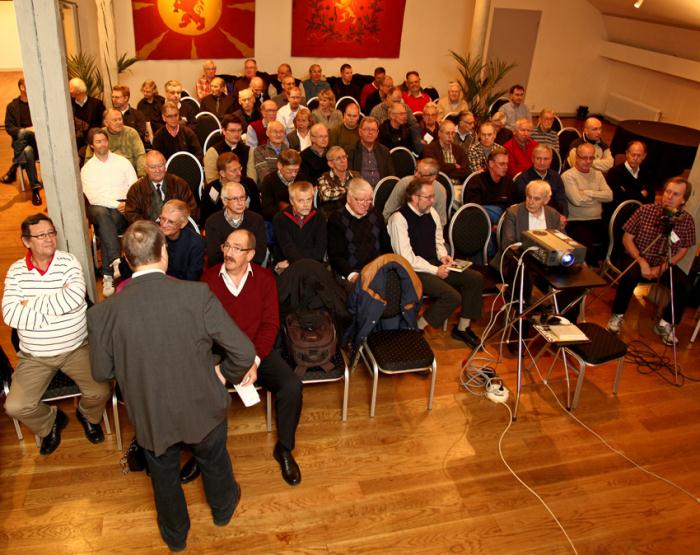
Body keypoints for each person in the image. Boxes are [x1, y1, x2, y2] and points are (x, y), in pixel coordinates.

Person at [88, 220, 256, 551]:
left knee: (163, 478)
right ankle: (223, 511)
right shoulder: (197, 295)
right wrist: (222, 375)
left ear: (126, 258)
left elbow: (102, 370)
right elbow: (243, 351)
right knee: (215, 462)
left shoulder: (102, 314)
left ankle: (176, 536)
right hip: (203, 404)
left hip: (151, 413)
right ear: (163, 253)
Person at [202, 228, 303, 486]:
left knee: (291, 387)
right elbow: (202, 327)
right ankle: (202, 453)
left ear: (251, 255)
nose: (229, 253)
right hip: (220, 351)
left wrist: (255, 361)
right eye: (227, 246)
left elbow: (270, 325)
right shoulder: (208, 279)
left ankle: (284, 449)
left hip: (257, 349)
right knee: (202, 390)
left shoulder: (265, 279)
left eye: (237, 248)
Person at [3, 214, 110, 455]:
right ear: (26, 241)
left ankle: (87, 415)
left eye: (51, 233)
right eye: (41, 235)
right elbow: (10, 314)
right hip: (35, 355)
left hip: (76, 348)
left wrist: (29, 304)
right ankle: (50, 422)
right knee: (15, 406)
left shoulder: (69, 262)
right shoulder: (17, 272)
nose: (49, 239)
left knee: (100, 391)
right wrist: (58, 308)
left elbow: (74, 298)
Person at [388, 180, 484, 346]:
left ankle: (462, 328)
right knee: (452, 296)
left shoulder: (431, 212)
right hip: (413, 270)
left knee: (475, 278)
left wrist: (443, 256)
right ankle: (417, 328)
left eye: (433, 196)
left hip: (433, 264)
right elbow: (406, 257)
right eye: (428, 197)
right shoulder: (399, 218)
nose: (432, 201)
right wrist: (435, 270)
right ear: (413, 197)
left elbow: (438, 240)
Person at [606, 177, 695, 346]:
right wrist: (642, 262)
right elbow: (627, 239)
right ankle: (617, 316)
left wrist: (663, 267)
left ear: (683, 200)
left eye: (676, 194)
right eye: (668, 191)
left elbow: (683, 249)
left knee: (684, 285)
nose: (669, 196)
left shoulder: (687, 221)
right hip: (637, 256)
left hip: (665, 263)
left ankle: (666, 323)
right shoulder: (645, 210)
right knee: (629, 277)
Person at [81, 128, 137, 296]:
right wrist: (115, 204)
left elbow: (134, 185)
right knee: (102, 213)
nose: (102, 144)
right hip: (99, 208)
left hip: (123, 208)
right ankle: (115, 259)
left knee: (108, 223)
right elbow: (92, 196)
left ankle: (108, 273)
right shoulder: (87, 169)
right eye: (98, 141)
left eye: (104, 140)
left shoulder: (122, 162)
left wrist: (127, 203)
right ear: (91, 145)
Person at [497, 180, 563, 302]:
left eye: (536, 199)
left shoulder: (553, 214)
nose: (530, 202)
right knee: (524, 270)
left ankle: (564, 316)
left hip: (547, 263)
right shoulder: (514, 213)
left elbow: (562, 242)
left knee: (572, 272)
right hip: (520, 261)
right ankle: (524, 314)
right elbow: (507, 245)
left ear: (546, 200)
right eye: (529, 197)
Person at [327, 177, 392, 283]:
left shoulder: (375, 214)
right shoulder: (337, 218)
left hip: (378, 270)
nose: (366, 204)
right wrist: (351, 275)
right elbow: (336, 256)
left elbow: (386, 247)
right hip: (352, 273)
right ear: (349, 198)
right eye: (361, 200)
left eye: (369, 200)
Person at [562, 143, 613, 264]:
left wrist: (588, 192)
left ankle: (600, 267)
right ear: (576, 157)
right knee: (588, 250)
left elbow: (609, 196)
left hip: (597, 219)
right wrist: (598, 196)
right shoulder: (568, 176)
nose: (588, 161)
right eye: (584, 158)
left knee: (615, 239)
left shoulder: (598, 174)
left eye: (591, 158)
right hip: (577, 221)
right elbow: (577, 201)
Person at [124, 150, 198, 225]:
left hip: (176, 230)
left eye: (160, 166)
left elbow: (192, 210)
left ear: (165, 166)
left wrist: (176, 224)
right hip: (148, 232)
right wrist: (149, 227)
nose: (157, 170)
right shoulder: (136, 189)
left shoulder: (179, 184)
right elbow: (131, 215)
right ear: (146, 169)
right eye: (153, 167)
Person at [205, 181, 267, 267]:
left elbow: (260, 253)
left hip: (250, 268)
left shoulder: (257, 220)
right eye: (235, 199)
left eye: (242, 197)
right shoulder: (212, 222)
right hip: (223, 269)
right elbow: (214, 257)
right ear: (225, 201)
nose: (240, 203)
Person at [3, 77, 42, 205]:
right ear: (22, 88)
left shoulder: (38, 104)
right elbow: (9, 127)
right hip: (25, 146)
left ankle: (14, 167)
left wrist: (34, 129)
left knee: (27, 139)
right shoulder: (12, 106)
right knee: (27, 150)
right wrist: (24, 130)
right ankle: (35, 191)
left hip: (39, 144)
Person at [272, 181, 326, 271]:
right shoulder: (280, 218)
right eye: (301, 200)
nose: (305, 205)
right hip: (287, 267)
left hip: (312, 265)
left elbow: (319, 251)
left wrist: (296, 261)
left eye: (309, 199)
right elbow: (288, 249)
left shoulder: (319, 217)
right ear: (291, 201)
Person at [514, 144, 568, 227]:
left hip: (554, 219)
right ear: (533, 159)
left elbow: (562, 200)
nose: (542, 162)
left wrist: (562, 216)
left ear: (551, 160)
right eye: (538, 158)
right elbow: (523, 205)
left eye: (546, 159)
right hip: (529, 219)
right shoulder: (523, 179)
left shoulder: (556, 177)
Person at [383, 158, 449, 227]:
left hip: (426, 230)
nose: (416, 175)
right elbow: (387, 212)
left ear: (433, 177)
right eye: (416, 170)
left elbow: (441, 223)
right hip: (400, 226)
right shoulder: (404, 183)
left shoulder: (440, 190)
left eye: (421, 174)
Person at [464, 146, 515, 235]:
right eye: (502, 164)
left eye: (507, 164)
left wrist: (502, 224)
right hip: (481, 222)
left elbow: (512, 207)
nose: (506, 167)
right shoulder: (476, 182)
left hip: (504, 221)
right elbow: (473, 210)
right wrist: (491, 225)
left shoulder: (508, 181)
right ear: (491, 163)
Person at [201, 151, 261, 225]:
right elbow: (206, 219)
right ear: (222, 173)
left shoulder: (249, 184)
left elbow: (258, 211)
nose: (239, 173)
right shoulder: (210, 190)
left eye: (240, 168)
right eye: (234, 171)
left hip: (248, 225)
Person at [84, 108, 146, 177]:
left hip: (129, 172)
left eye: (120, 119)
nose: (119, 122)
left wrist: (142, 175)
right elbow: (88, 158)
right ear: (106, 123)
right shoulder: (99, 135)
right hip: (105, 173)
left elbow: (140, 155)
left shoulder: (131, 133)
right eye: (115, 120)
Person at [604, 140, 654, 220]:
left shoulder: (647, 174)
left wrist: (628, 192)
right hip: (618, 216)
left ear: (644, 156)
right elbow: (618, 198)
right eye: (633, 154)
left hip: (640, 217)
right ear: (627, 153)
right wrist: (641, 194)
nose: (635, 158)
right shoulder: (614, 173)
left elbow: (650, 200)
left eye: (639, 155)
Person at [159, 200, 204, 281]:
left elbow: (192, 278)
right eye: (162, 218)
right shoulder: (154, 236)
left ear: (183, 224)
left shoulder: (195, 243)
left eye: (171, 222)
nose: (164, 225)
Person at [347, 117, 395, 187]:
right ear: (360, 132)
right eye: (367, 129)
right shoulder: (351, 151)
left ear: (377, 133)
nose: (370, 133)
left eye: (373, 130)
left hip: (380, 189)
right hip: (360, 190)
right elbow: (349, 176)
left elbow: (391, 176)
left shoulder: (384, 151)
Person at [203, 114, 249, 184]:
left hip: (244, 189)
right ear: (224, 131)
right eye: (232, 131)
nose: (237, 134)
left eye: (239, 130)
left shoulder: (248, 151)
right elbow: (212, 181)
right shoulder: (213, 152)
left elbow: (251, 178)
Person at [316, 146, 359, 217]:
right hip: (332, 217)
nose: (343, 161)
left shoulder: (356, 175)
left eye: (344, 157)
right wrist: (348, 190)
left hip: (354, 216)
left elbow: (364, 193)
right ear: (330, 164)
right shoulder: (324, 178)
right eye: (338, 158)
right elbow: (326, 195)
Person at [261, 149, 301, 221]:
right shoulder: (269, 180)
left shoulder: (301, 178)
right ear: (279, 165)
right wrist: (285, 209)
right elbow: (266, 211)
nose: (294, 174)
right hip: (278, 220)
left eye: (296, 170)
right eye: (289, 171)